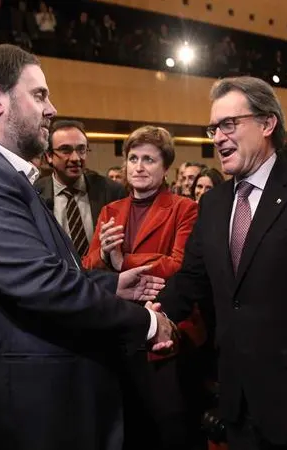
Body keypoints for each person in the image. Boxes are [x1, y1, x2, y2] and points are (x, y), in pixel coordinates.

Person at [0, 44, 176, 450]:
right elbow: (41, 284)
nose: (51, 108)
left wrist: (110, 286)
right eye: (40, 95)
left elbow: (45, 270)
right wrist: (148, 324)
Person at [157, 76, 287, 449]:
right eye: (213, 128)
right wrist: (154, 316)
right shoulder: (214, 203)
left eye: (228, 125)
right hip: (236, 400)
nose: (217, 137)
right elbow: (191, 279)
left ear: (268, 124)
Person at [83, 126, 205, 450]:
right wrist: (107, 256)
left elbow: (179, 264)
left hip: (167, 326)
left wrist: (122, 261)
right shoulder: (112, 210)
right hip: (119, 327)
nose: (138, 166)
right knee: (128, 425)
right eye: (133, 158)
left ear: (165, 168)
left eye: (149, 159)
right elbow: (88, 263)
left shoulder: (184, 208)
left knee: (169, 427)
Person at [35, 120, 126, 257]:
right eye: (65, 150)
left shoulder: (112, 191)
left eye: (81, 149)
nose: (76, 158)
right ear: (49, 156)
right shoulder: (35, 193)